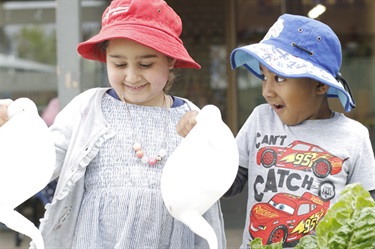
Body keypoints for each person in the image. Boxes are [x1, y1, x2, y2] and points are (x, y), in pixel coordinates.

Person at [0, 0, 227, 248]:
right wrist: (16, 130)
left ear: (170, 60)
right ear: (105, 58)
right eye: (119, 64)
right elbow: (43, 159)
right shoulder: (88, 108)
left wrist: (207, 137)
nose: (131, 76)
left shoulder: (189, 116)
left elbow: (216, 178)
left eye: (145, 64)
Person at [177, 14, 375, 248]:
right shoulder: (261, 119)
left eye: (279, 78)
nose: (267, 91)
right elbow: (229, 184)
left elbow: (366, 213)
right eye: (264, 76)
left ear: (320, 84)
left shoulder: (354, 136)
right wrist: (202, 141)